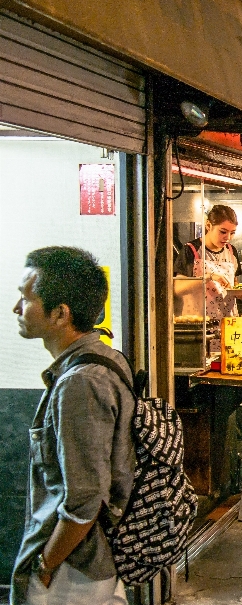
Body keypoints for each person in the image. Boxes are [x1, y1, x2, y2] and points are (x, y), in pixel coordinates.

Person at [11, 247, 135, 605]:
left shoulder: (80, 383)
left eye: (26, 299)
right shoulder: (105, 358)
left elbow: (84, 501)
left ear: (60, 314)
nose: (17, 309)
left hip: (73, 572)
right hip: (88, 563)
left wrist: (45, 563)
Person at [173, 204, 242, 322]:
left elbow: (234, 283)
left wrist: (240, 292)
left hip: (228, 323)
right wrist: (209, 277)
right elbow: (178, 288)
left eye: (232, 233)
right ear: (208, 225)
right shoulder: (191, 250)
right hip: (199, 323)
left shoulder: (232, 251)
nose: (228, 237)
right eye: (223, 232)